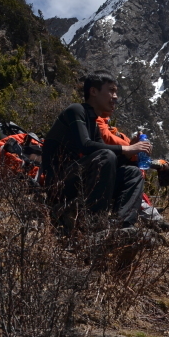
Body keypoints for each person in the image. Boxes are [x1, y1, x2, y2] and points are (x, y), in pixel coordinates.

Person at [42, 72, 151, 228]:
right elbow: (85, 146)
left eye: (116, 92)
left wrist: (131, 153)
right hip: (59, 183)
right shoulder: (76, 110)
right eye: (111, 91)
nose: (115, 97)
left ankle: (123, 225)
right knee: (106, 155)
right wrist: (127, 148)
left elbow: (111, 159)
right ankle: (94, 222)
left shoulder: (93, 123)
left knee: (132, 173)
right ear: (93, 91)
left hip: (80, 180)